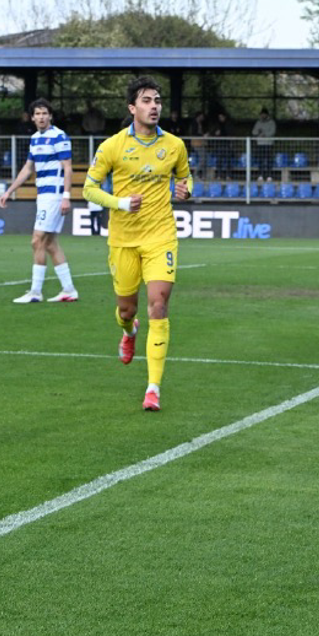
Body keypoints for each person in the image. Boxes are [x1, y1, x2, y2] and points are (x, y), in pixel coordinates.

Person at [82, 76, 192, 412]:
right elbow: (89, 188)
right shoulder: (112, 146)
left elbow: (184, 176)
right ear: (132, 108)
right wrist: (120, 203)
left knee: (158, 304)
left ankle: (153, 388)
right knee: (127, 310)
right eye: (146, 100)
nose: (154, 105)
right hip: (123, 239)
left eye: (157, 100)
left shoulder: (174, 145)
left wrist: (186, 189)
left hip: (161, 235)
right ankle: (129, 332)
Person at [0, 98, 79, 304]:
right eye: (38, 114)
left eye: (45, 113)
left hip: (54, 195)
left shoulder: (59, 136)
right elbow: (28, 168)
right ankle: (69, 290)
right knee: (50, 244)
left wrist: (66, 197)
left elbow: (68, 167)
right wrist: (10, 191)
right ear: (32, 117)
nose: (41, 117)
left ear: (50, 116)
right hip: (43, 195)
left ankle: (35, 292)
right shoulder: (35, 138)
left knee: (37, 240)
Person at [251, 107, 276, 181]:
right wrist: (258, 132)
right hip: (260, 144)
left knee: (268, 159)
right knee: (260, 160)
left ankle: (269, 175)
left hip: (268, 144)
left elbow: (273, 131)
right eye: (262, 114)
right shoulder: (258, 122)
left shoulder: (272, 122)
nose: (263, 116)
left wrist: (265, 134)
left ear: (267, 115)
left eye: (264, 114)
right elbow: (253, 132)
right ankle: (260, 174)